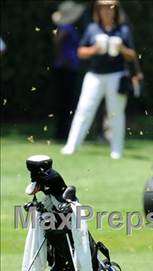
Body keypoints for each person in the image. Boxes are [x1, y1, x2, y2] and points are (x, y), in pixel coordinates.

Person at [61, 0, 140, 159]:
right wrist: (95, 49)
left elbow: (132, 55)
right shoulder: (92, 28)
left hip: (116, 75)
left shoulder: (123, 29)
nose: (106, 12)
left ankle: (117, 150)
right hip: (94, 75)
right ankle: (71, 146)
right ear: (98, 11)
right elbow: (81, 52)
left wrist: (121, 49)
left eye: (110, 9)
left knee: (115, 113)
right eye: (103, 9)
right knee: (84, 110)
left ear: (115, 11)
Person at [50, 1, 85, 140]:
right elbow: (57, 42)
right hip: (67, 68)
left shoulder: (63, 26)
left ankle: (62, 132)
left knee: (65, 102)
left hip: (66, 68)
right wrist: (63, 59)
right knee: (66, 102)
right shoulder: (67, 27)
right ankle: (62, 133)